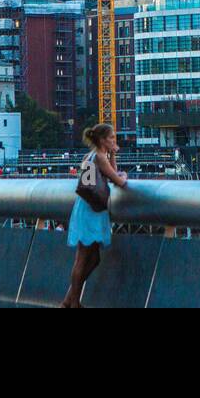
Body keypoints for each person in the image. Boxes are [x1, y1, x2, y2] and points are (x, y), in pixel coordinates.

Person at [61, 123, 127, 308]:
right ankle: (73, 302)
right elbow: (118, 181)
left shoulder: (89, 156)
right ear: (103, 139)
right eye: (112, 137)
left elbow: (101, 176)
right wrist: (125, 177)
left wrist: (113, 153)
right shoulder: (99, 157)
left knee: (92, 257)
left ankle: (70, 300)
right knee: (83, 257)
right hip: (93, 210)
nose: (114, 140)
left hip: (86, 206)